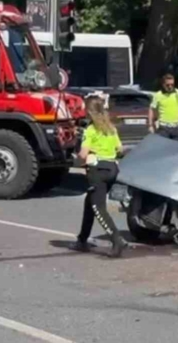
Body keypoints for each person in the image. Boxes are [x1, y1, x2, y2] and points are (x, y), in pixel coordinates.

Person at [71, 94, 128, 258]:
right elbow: (120, 149)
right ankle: (82, 239)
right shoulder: (111, 128)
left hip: (98, 171)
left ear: (89, 112)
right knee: (90, 202)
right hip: (112, 169)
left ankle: (117, 240)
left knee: (99, 208)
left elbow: (83, 154)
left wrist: (76, 160)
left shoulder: (90, 129)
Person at [148, 74, 178, 141]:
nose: (170, 87)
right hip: (163, 128)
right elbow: (151, 109)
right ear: (163, 84)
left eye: (172, 84)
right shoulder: (158, 95)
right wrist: (150, 125)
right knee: (164, 149)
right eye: (167, 85)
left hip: (177, 128)